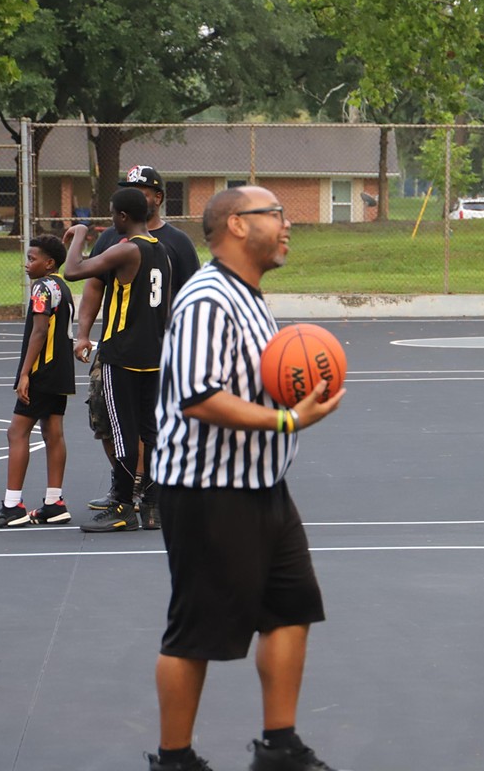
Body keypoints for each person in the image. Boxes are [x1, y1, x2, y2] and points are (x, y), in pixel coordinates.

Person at [147, 186, 345, 771]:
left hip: (263, 485)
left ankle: (279, 748)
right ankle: (174, 760)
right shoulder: (208, 299)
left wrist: (296, 400)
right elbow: (199, 396)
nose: (288, 225)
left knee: (291, 611)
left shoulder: (251, 298)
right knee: (195, 631)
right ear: (236, 224)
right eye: (276, 215)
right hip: (208, 491)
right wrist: (288, 418)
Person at [75, 165, 200, 529]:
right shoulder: (116, 240)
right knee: (109, 421)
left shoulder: (176, 243)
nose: (132, 193)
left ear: (157, 198)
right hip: (133, 350)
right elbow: (94, 287)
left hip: (148, 350)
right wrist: (83, 333)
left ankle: (135, 499)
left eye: (139, 188)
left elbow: (190, 298)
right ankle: (134, 493)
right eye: (128, 188)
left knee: (137, 427)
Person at [62, 186, 173, 532]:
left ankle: (124, 506)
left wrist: (79, 233)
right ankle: (152, 507)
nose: (111, 220)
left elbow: (73, 270)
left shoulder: (126, 251)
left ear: (123, 217)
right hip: (154, 355)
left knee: (123, 432)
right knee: (150, 432)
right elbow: (165, 307)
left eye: (112, 214)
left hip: (121, 355)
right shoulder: (163, 252)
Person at [0, 235, 77, 527]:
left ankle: (12, 506)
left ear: (49, 263)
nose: (27, 264)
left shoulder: (42, 288)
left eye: (32, 259)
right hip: (61, 372)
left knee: (16, 432)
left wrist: (25, 373)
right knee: (53, 432)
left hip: (42, 371)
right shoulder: (62, 287)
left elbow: (39, 332)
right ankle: (54, 502)